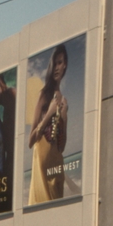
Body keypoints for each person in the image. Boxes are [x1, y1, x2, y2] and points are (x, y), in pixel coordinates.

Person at [28, 44, 69, 204]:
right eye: (56, 63)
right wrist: (49, 115)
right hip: (41, 169)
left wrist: (64, 120)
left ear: (65, 64)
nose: (58, 67)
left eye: (61, 62)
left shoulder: (64, 101)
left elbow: (62, 146)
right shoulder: (44, 95)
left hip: (57, 168)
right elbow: (31, 141)